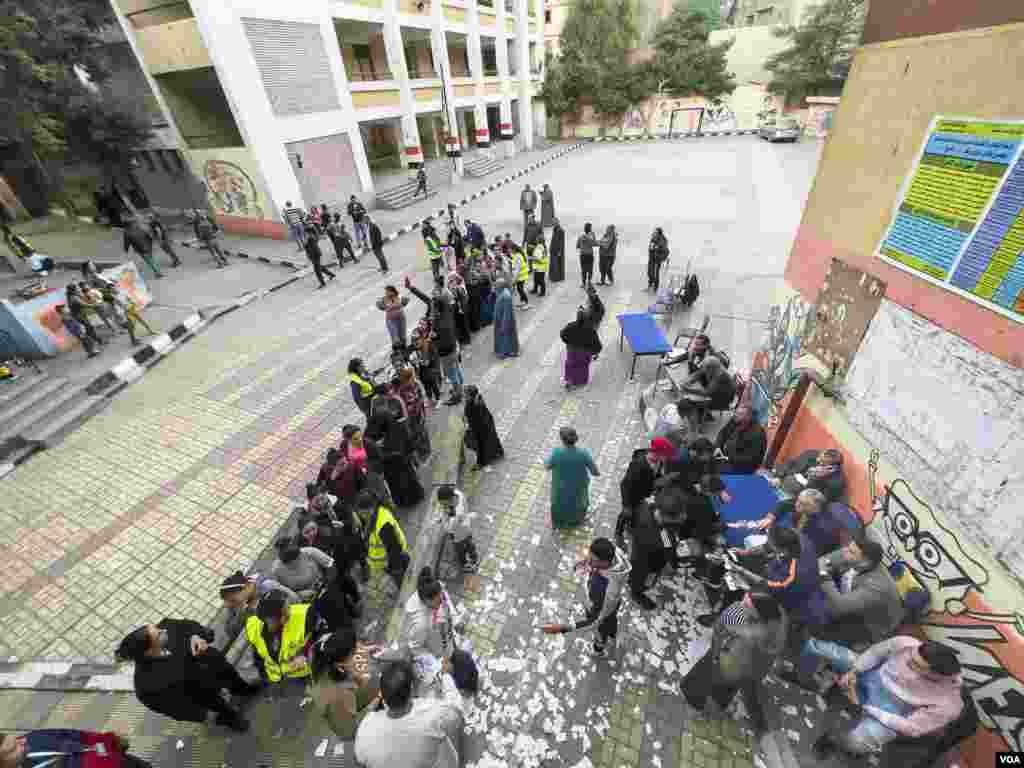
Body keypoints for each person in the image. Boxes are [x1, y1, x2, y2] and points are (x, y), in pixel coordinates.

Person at [808, 637, 964, 758]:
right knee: (818, 647)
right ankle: (805, 678)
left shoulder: (950, 703)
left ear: (937, 675)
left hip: (890, 711)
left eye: (916, 666)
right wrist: (854, 671)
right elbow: (876, 652)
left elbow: (912, 727)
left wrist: (868, 708)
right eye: (912, 657)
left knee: (857, 744)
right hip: (870, 674)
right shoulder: (908, 644)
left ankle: (835, 740)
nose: (908, 662)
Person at [115, 618, 255, 732]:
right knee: (224, 712)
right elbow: (174, 708)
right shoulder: (146, 686)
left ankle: (243, 690)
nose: (163, 629)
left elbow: (191, 626)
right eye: (158, 634)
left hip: (215, 666)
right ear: (148, 651)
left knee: (233, 680)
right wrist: (203, 715)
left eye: (157, 628)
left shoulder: (167, 626)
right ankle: (233, 720)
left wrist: (197, 636)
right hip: (202, 695)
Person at [681, 591, 787, 733]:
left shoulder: (765, 636)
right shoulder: (765, 618)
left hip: (731, 667)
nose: (744, 607)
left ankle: (703, 710)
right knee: (707, 684)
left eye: (748, 608)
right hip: (727, 661)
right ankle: (701, 704)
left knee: (713, 691)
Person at [354, 657, 466, 768]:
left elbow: (360, 759)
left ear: (382, 695)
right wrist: (446, 676)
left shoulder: (366, 725)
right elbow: (457, 710)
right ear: (412, 690)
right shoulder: (432, 715)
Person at [541, 538, 630, 654]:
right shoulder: (615, 555)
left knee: (600, 632)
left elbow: (596, 619)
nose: (589, 561)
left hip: (600, 611)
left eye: (593, 560)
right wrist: (582, 564)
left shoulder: (607, 587)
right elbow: (592, 560)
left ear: (604, 563)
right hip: (612, 606)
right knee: (612, 621)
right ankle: (612, 635)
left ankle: (599, 650)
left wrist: (560, 628)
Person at [816, 532, 904, 647]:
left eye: (851, 552)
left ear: (865, 562)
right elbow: (823, 561)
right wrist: (823, 570)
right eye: (848, 547)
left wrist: (824, 575)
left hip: (869, 624)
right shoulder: (851, 555)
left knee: (823, 611)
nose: (844, 552)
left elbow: (840, 605)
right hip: (850, 599)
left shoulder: (877, 586)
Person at [310, 627, 380, 741]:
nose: (358, 652)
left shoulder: (326, 645)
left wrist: (364, 650)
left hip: (344, 690)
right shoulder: (334, 697)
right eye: (354, 652)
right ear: (340, 663)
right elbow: (348, 733)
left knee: (374, 684)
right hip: (344, 718)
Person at [406, 275, 462, 405]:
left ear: (437, 309)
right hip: (453, 345)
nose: (431, 311)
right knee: (457, 369)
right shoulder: (446, 309)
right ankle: (459, 389)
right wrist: (412, 288)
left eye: (433, 308)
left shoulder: (439, 323)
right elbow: (429, 300)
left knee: (451, 373)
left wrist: (430, 338)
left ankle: (457, 394)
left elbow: (434, 338)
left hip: (446, 350)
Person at [244, 591, 312, 685]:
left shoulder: (305, 615)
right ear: (267, 619)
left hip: (309, 671)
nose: (287, 616)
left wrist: (305, 655)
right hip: (283, 680)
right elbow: (258, 655)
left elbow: (318, 636)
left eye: (288, 608)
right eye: (281, 615)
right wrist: (265, 675)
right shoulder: (253, 628)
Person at [615, 436, 674, 542]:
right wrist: (626, 505)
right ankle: (618, 533)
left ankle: (631, 525)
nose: (667, 458)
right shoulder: (638, 465)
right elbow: (625, 484)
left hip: (645, 494)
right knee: (626, 515)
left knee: (636, 514)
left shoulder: (658, 461)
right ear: (658, 452)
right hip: (633, 496)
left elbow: (655, 475)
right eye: (665, 455)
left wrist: (661, 479)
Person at [0, 730, 154, 768]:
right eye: (14, 748)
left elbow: (78, 736)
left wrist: (110, 740)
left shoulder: (33, 737)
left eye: (16, 739)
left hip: (119, 761)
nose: (23, 742)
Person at [543, 426, 600, 529]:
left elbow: (547, 466)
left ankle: (559, 524)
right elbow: (595, 472)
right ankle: (576, 522)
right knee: (579, 504)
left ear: (562, 440)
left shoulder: (556, 453)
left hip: (561, 488)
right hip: (579, 487)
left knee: (559, 505)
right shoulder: (583, 453)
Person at [355, 490, 410, 589]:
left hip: (395, 564)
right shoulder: (377, 512)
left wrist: (395, 569)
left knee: (405, 585)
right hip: (389, 562)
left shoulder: (383, 525)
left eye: (362, 513)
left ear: (369, 509)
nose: (361, 516)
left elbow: (394, 550)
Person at [677, 356, 736, 431]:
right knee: (691, 396)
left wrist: (688, 389)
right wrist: (689, 381)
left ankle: (695, 424)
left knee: (690, 403)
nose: (705, 371)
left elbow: (706, 393)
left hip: (721, 400)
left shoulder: (720, 376)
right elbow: (699, 373)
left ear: (712, 368)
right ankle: (697, 414)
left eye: (707, 369)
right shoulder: (713, 367)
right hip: (714, 392)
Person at [769, 447, 847, 502]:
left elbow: (819, 501)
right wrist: (779, 477)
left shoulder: (836, 482)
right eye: (819, 458)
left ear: (831, 468)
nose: (818, 462)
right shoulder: (811, 454)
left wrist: (816, 478)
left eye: (822, 463)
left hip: (798, 499)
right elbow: (790, 462)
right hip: (784, 483)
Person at [714, 404, 767, 474]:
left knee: (715, 470)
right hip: (726, 456)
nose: (735, 415)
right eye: (736, 412)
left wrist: (729, 458)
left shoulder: (757, 433)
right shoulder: (736, 420)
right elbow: (722, 433)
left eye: (740, 414)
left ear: (748, 417)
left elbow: (753, 458)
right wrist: (718, 446)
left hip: (742, 466)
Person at [437, 485, 479, 572]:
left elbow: (448, 529)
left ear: (450, 500)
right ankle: (474, 556)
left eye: (444, 503)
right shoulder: (458, 493)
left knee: (460, 550)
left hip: (458, 535)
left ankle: (465, 564)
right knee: (469, 542)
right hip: (466, 527)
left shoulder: (457, 515)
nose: (443, 506)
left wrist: (444, 518)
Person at [463, 385, 504, 469]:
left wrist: (469, 426)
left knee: (481, 445)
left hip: (482, 428)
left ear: (471, 395)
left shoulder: (475, 405)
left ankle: (482, 463)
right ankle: (497, 453)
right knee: (490, 440)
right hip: (486, 425)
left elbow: (475, 419)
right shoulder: (475, 400)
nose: (465, 396)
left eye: (466, 395)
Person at [560, 309, 602, 389]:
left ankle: (570, 380)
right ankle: (580, 381)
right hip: (585, 352)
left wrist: (568, 342)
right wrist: (596, 352)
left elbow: (562, 334)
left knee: (570, 364)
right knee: (583, 366)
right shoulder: (590, 330)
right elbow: (596, 343)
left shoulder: (571, 326)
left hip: (572, 350)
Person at [397, 365, 431, 462]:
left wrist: (424, 408)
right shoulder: (401, 391)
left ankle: (426, 451)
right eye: (412, 377)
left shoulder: (415, 384)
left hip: (419, 413)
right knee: (417, 435)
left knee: (423, 432)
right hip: (412, 417)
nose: (414, 378)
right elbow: (405, 407)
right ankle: (423, 453)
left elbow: (422, 396)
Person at [412, 318, 442, 403]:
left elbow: (434, 349)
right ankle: (430, 397)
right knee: (424, 381)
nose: (421, 326)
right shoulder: (416, 333)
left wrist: (434, 337)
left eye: (423, 324)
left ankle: (438, 395)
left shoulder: (430, 333)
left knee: (433, 379)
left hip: (431, 361)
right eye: (420, 323)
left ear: (427, 325)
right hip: (421, 363)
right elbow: (414, 346)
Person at [376, 285, 410, 351]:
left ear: (393, 291)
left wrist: (403, 303)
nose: (386, 293)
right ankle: (396, 352)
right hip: (391, 320)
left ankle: (404, 351)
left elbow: (407, 299)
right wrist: (381, 305)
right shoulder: (384, 299)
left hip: (401, 319)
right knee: (395, 337)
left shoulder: (399, 297)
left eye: (387, 291)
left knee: (402, 336)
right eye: (385, 292)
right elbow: (379, 304)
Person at [492, 277, 519, 359]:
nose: (495, 287)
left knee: (505, 337)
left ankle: (506, 352)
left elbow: (507, 313)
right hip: (500, 320)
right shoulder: (501, 292)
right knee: (503, 337)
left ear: (501, 286)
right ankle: (503, 350)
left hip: (505, 321)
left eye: (496, 285)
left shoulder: (506, 296)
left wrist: (504, 325)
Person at [510, 239, 530, 308]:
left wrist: (514, 280)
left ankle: (526, 303)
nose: (509, 250)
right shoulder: (517, 255)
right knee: (519, 289)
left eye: (510, 249)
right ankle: (522, 302)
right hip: (521, 276)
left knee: (520, 290)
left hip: (521, 277)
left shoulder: (517, 257)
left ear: (514, 250)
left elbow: (517, 270)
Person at [576, 223, 597, 288]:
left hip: (583, 255)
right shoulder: (592, 235)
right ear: (590, 228)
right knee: (589, 269)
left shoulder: (581, 236)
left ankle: (584, 283)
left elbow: (577, 246)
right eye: (590, 227)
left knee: (584, 270)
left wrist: (583, 243)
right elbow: (594, 243)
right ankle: (589, 282)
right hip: (589, 254)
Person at [548, 217, 566, 282]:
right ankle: (553, 277)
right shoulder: (555, 229)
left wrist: (560, 251)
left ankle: (556, 278)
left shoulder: (561, 230)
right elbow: (553, 240)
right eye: (553, 222)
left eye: (554, 222)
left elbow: (561, 242)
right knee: (553, 264)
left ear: (557, 222)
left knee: (557, 264)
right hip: (553, 249)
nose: (553, 223)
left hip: (557, 250)